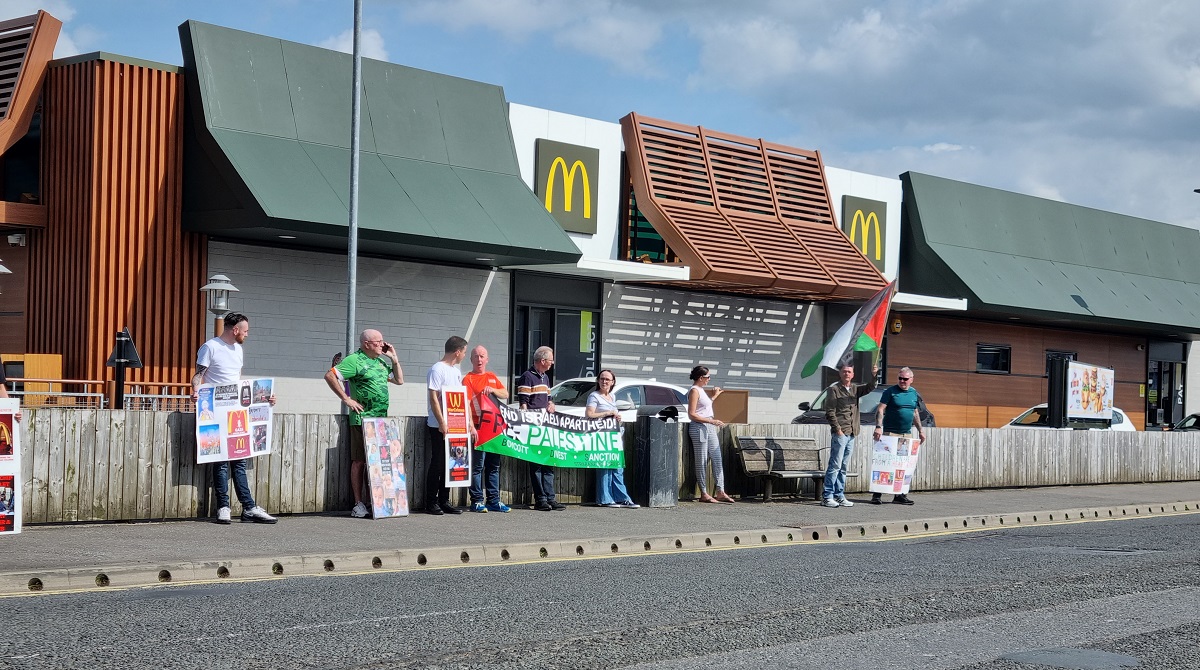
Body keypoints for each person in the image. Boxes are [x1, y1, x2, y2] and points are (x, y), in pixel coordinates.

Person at [191, 312, 276, 524]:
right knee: (220, 461)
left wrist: (264, 398)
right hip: (216, 411)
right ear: (235, 330)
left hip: (235, 411)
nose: (247, 335)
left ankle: (248, 507)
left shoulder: (238, 349)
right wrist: (195, 391)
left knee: (239, 459)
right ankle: (223, 506)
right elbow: (198, 375)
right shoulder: (210, 347)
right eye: (245, 331)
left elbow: (238, 382)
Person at [325, 329, 404, 518]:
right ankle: (358, 503)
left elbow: (399, 381)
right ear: (367, 343)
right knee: (360, 460)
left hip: (381, 420)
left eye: (383, 341)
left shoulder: (380, 362)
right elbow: (330, 375)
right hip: (363, 419)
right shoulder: (355, 360)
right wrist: (347, 399)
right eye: (378, 342)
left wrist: (394, 359)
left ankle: (378, 503)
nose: (382, 345)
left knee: (379, 462)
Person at [426, 336, 475, 516]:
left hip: (456, 425)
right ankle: (431, 501)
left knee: (451, 464)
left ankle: (444, 500)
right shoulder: (437, 369)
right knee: (437, 463)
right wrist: (441, 422)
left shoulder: (455, 371)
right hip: (439, 424)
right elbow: (433, 398)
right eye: (463, 352)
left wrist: (468, 422)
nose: (464, 355)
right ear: (457, 351)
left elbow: (461, 399)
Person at [463, 345, 511, 513]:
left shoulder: (491, 376)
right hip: (478, 427)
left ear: (487, 359)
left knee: (494, 466)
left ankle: (494, 500)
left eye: (482, 356)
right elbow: (466, 403)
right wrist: (471, 426)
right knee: (477, 466)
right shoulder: (467, 379)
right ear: (471, 360)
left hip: (493, 429)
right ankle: (476, 500)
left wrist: (494, 390)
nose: (479, 359)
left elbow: (505, 394)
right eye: (476, 356)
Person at [822, 362, 877, 508]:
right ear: (840, 374)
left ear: (853, 375)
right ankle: (827, 496)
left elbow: (870, 387)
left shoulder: (855, 389)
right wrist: (837, 429)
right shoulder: (834, 389)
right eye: (844, 371)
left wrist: (874, 375)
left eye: (849, 372)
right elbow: (830, 412)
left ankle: (839, 495)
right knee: (835, 465)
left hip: (852, 432)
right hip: (841, 432)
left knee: (844, 466)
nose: (847, 374)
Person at [871, 366, 926, 505]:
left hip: (906, 433)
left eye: (905, 379)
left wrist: (921, 430)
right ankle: (877, 495)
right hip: (890, 433)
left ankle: (900, 495)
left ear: (911, 380)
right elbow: (881, 409)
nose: (902, 381)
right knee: (885, 464)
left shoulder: (913, 393)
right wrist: (878, 427)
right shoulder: (890, 392)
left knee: (903, 465)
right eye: (900, 378)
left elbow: (915, 412)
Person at [518, 346, 564, 511]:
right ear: (543, 361)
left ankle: (550, 497)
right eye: (551, 360)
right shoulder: (527, 377)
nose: (552, 363)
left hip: (546, 425)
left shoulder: (545, 378)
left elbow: (549, 398)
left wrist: (551, 404)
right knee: (536, 463)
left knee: (548, 462)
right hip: (534, 426)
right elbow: (523, 402)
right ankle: (540, 499)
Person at [586, 369, 639, 509]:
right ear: (598, 380)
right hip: (601, 436)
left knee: (617, 467)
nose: (604, 381)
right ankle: (604, 498)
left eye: (607, 379)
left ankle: (622, 498)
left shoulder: (612, 396)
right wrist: (607, 413)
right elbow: (589, 414)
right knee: (604, 467)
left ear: (612, 382)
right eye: (602, 378)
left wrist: (617, 417)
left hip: (614, 437)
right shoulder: (594, 396)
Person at [686, 366, 735, 504]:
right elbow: (692, 414)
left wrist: (714, 396)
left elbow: (704, 408)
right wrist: (711, 421)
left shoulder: (701, 390)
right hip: (699, 427)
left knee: (717, 458)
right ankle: (704, 493)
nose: (709, 379)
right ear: (701, 378)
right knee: (701, 460)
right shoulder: (694, 390)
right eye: (708, 377)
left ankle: (720, 491)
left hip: (709, 426)